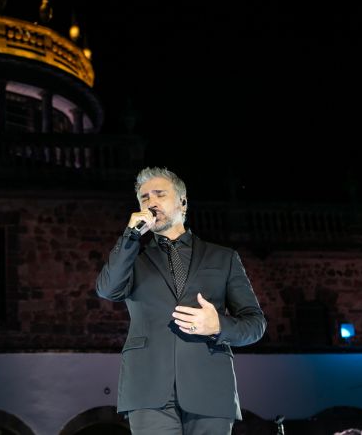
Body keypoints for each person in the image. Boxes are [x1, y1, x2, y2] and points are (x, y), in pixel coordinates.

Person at [96, 166, 266, 435]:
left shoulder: (223, 257)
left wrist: (219, 326)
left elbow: (255, 324)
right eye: (144, 198)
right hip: (148, 389)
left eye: (159, 194)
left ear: (182, 202)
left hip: (210, 387)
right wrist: (130, 236)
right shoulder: (132, 260)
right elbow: (107, 290)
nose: (151, 202)